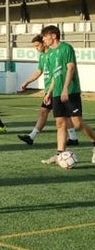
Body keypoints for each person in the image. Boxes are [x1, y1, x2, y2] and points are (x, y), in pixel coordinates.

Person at [40, 25, 95, 164]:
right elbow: (54, 76)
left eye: (45, 36)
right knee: (60, 124)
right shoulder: (50, 54)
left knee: (77, 123)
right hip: (57, 93)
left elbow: (70, 68)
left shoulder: (66, 48)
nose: (43, 39)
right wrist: (49, 92)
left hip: (71, 91)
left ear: (53, 36)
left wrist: (65, 88)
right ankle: (60, 155)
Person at [18, 35, 78, 146]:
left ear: (44, 43)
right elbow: (39, 71)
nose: (36, 48)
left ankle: (32, 137)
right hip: (49, 90)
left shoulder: (53, 53)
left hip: (56, 89)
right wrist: (27, 82)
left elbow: (57, 74)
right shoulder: (42, 56)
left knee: (59, 115)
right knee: (47, 112)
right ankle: (73, 138)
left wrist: (50, 91)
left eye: (37, 45)